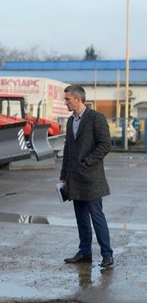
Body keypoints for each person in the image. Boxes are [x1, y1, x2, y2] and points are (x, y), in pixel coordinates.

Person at [61, 84, 114, 268]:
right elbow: (68, 149)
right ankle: (85, 252)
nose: (65, 101)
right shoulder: (70, 121)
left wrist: (87, 161)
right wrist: (63, 175)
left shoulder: (96, 118)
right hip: (74, 178)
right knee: (81, 218)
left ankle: (107, 255)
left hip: (92, 178)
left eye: (67, 98)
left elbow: (105, 144)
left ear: (77, 98)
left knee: (97, 217)